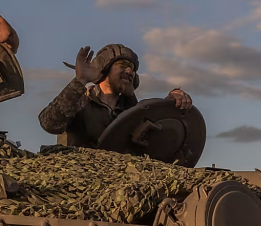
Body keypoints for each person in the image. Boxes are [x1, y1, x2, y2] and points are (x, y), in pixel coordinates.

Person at [38, 44, 192, 148]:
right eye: (123, 65)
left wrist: (172, 101)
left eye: (132, 68)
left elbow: (158, 135)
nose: (129, 71)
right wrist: (80, 81)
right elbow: (49, 123)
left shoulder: (132, 110)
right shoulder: (80, 101)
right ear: (104, 69)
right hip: (79, 182)